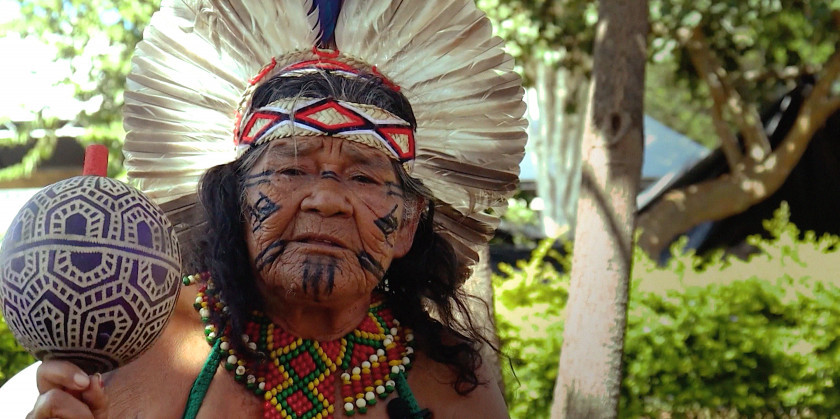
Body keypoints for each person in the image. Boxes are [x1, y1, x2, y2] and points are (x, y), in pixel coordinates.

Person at [24, 0, 526, 418]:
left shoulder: (454, 384)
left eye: (364, 177)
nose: (326, 200)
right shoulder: (141, 344)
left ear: (408, 224)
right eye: (289, 169)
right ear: (235, 201)